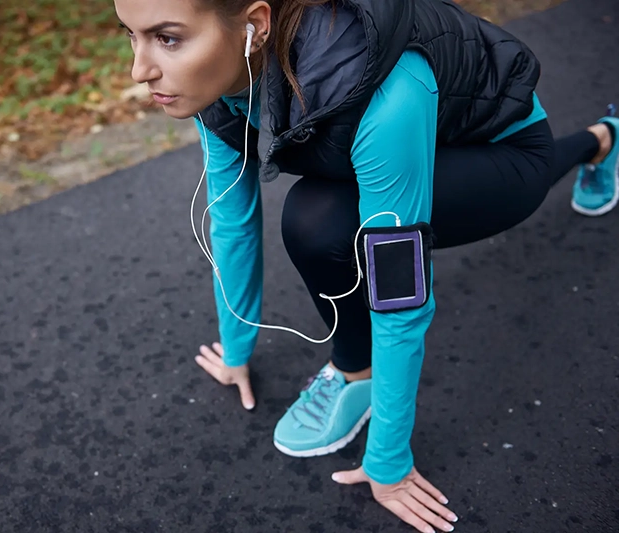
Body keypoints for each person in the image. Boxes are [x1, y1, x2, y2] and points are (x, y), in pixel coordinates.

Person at [113, 0, 618, 531]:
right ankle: (604, 141)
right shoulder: (217, 81)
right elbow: (232, 220)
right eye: (131, 35)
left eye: (167, 38)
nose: (140, 70)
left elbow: (401, 288)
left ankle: (356, 373)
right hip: (419, 141)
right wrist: (236, 348)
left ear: (253, 27)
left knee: (317, 221)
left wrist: (390, 464)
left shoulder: (379, 86)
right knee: (321, 214)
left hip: (503, 155)